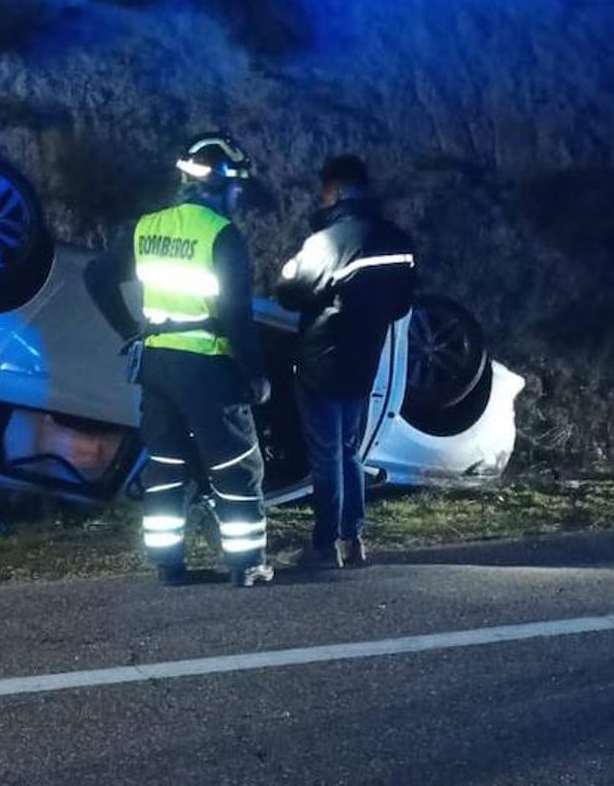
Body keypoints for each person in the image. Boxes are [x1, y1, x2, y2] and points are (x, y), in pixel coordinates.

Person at [85, 133, 274, 588]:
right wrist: (255, 375)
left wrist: (131, 331)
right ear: (219, 184)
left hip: (157, 363)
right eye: (237, 187)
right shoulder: (221, 235)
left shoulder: (148, 228)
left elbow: (97, 275)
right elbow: (235, 316)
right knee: (236, 465)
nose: (239, 197)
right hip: (207, 366)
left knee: (166, 465)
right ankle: (247, 563)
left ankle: (169, 566)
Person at [275, 155, 416, 568]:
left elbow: (290, 292)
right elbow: (400, 304)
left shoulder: (328, 242)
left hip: (320, 363)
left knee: (326, 456)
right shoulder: (397, 242)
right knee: (351, 450)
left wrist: (288, 273)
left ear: (335, 191)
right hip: (363, 362)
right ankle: (354, 540)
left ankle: (324, 545)